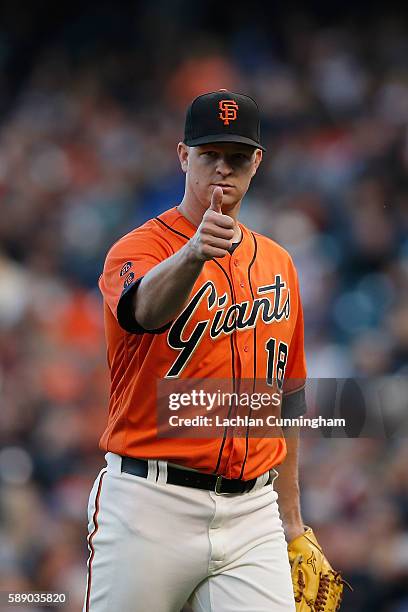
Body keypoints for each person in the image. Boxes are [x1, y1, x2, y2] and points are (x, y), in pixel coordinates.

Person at [83, 90, 308, 612]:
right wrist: (192, 254)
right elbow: (141, 311)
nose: (222, 171)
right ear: (184, 157)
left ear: (257, 163)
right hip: (149, 503)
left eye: (235, 157)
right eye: (209, 156)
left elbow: (286, 394)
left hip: (253, 512)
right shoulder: (138, 249)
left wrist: (291, 518)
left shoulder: (278, 262)